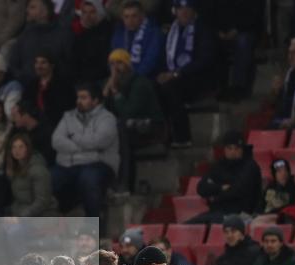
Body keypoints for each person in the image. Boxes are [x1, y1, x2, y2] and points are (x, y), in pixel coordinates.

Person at [51, 82, 119, 216]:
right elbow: (56, 141)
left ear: (95, 100)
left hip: (99, 164)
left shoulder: (107, 118)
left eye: (83, 98)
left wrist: (73, 137)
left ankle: (94, 226)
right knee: (50, 178)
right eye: (78, 97)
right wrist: (82, 147)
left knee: (88, 178)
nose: (79, 101)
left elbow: (99, 142)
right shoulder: (68, 117)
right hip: (70, 164)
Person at [155, 0, 216, 148]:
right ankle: (162, 134)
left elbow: (204, 60)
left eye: (188, 8)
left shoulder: (203, 29)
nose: (184, 12)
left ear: (194, 10)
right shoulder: (171, 31)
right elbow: (164, 57)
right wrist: (162, 73)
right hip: (175, 77)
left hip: (197, 79)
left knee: (170, 88)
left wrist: (177, 73)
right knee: (154, 85)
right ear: (175, 11)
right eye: (180, 8)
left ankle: (183, 136)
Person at [189, 131, 262, 224]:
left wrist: (215, 197)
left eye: (237, 148)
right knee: (189, 226)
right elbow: (201, 187)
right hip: (217, 212)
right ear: (224, 149)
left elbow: (237, 191)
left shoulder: (250, 166)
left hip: (241, 213)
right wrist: (220, 187)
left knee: (212, 223)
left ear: (242, 149)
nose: (233, 152)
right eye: (229, 148)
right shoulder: (219, 165)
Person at [9, 0, 72, 86]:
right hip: (26, 85)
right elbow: (14, 62)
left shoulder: (63, 34)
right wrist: (21, 77)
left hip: (55, 87)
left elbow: (69, 64)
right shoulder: (26, 34)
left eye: (32, 7)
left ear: (44, 12)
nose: (27, 10)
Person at [5, 132, 58, 217]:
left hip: (42, 215)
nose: (16, 150)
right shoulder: (16, 169)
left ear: (28, 148)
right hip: (23, 210)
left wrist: (21, 217)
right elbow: (19, 198)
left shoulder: (38, 170)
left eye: (21, 147)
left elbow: (42, 202)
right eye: (14, 147)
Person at [110, 0, 162, 78]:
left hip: (144, 80)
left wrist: (130, 78)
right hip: (119, 77)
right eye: (126, 17)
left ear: (142, 16)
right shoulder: (119, 32)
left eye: (134, 16)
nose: (130, 21)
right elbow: (113, 58)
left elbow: (149, 63)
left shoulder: (154, 33)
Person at [71, 1, 113, 85]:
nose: (87, 16)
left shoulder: (109, 32)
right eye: (84, 12)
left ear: (99, 13)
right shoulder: (79, 37)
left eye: (92, 12)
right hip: (83, 83)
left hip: (103, 81)